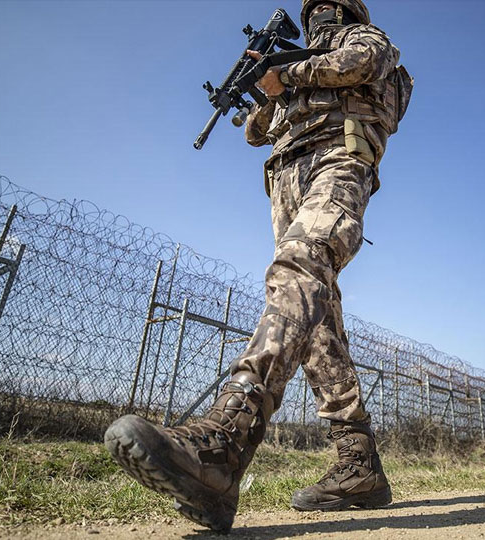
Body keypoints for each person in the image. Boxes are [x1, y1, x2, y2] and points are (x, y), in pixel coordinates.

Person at [104, 0, 411, 532]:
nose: (319, 14)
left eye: (328, 6)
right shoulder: (299, 68)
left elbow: (358, 65)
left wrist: (283, 72)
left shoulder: (366, 41)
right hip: (286, 180)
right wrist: (263, 85)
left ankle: (227, 440)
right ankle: (359, 464)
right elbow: (255, 131)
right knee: (315, 328)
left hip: (339, 161)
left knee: (298, 269)